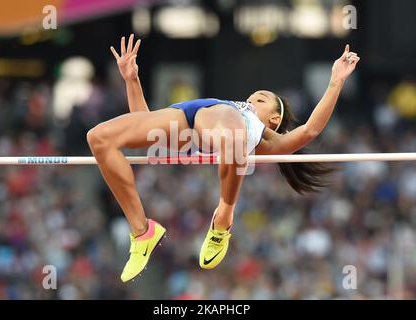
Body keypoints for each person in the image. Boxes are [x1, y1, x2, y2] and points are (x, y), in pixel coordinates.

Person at [86, 35, 360, 282]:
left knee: (231, 139)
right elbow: (142, 122)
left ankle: (223, 219)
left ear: (274, 119)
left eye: (261, 100)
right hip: (187, 118)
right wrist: (131, 79)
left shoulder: (257, 130)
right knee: (99, 138)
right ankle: (142, 231)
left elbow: (310, 130)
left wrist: (337, 79)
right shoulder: (229, 117)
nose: (252, 100)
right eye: (251, 97)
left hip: (223, 125)